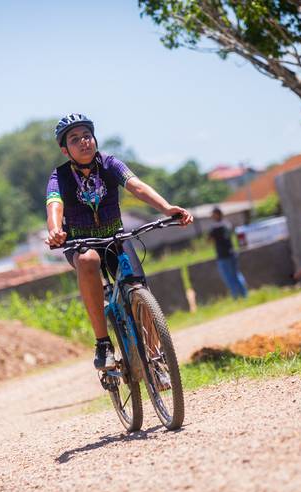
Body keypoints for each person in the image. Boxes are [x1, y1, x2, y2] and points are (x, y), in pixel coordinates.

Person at [45, 114, 194, 370]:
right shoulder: (59, 176)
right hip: (81, 243)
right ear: (65, 150)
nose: (83, 142)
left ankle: (156, 359)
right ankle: (103, 344)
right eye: (75, 139)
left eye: (87, 136)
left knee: (138, 287)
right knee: (88, 260)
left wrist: (167, 208)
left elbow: (137, 187)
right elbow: (54, 206)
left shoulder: (110, 164)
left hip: (115, 238)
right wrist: (56, 230)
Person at [207, 206, 248, 299]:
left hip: (223, 255)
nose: (212, 216)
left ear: (217, 214)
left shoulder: (215, 227)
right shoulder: (227, 224)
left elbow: (209, 240)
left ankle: (236, 297)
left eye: (213, 214)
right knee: (237, 274)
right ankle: (244, 295)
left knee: (228, 278)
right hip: (231, 253)